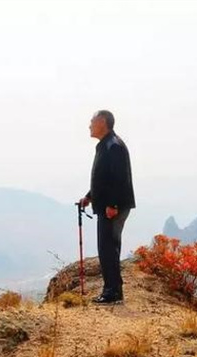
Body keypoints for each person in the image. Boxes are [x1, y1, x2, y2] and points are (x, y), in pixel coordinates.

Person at [79, 110, 135, 304]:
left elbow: (118, 179)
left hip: (113, 207)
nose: (89, 125)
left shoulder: (114, 146)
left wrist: (113, 204)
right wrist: (89, 197)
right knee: (107, 247)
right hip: (108, 205)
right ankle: (112, 289)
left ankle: (113, 292)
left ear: (102, 122)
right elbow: (103, 178)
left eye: (91, 121)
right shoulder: (106, 145)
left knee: (108, 247)